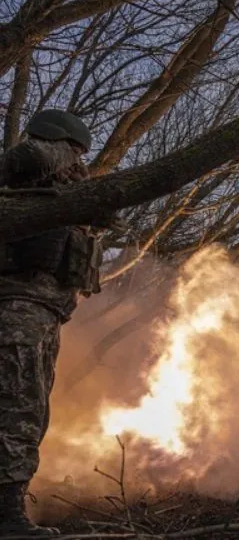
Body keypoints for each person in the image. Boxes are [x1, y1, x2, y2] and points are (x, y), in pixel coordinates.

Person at [0, 109, 104, 536]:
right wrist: (55, 150)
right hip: (18, 310)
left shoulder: (60, 195)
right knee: (17, 410)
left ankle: (9, 509)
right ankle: (6, 519)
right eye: (74, 152)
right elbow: (26, 158)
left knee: (31, 411)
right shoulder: (30, 170)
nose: (79, 162)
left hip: (44, 313)